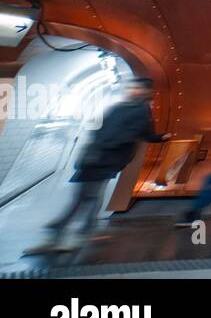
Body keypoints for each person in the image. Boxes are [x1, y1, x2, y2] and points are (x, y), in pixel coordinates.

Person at [28, 77, 169, 253]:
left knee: (88, 196)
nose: (133, 90)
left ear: (147, 92)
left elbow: (140, 134)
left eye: (138, 88)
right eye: (132, 87)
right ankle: (68, 232)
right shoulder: (120, 108)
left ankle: (64, 232)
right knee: (86, 196)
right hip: (96, 157)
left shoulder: (139, 111)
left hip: (105, 158)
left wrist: (159, 138)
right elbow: (104, 128)